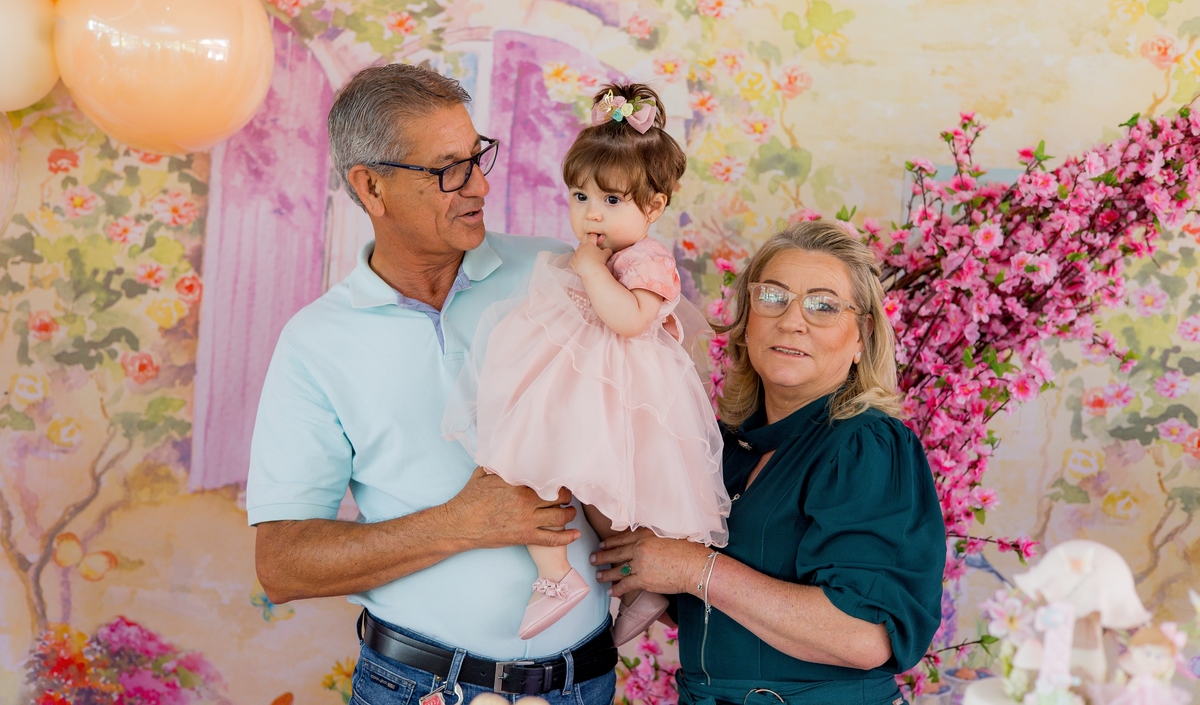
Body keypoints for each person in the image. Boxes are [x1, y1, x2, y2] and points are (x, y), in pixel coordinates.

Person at [247, 64, 617, 705]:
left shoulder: (561, 274)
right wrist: (462, 523)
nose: (479, 185)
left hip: (584, 684)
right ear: (371, 187)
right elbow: (282, 564)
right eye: (449, 169)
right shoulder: (314, 343)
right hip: (419, 688)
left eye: (478, 157)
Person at [591, 220, 947, 705]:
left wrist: (694, 568)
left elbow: (863, 635)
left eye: (823, 305)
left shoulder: (865, 446)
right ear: (747, 322)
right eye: (773, 297)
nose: (792, 321)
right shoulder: (722, 446)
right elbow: (691, 602)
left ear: (862, 336)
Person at [443, 83, 729, 644]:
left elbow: (630, 319)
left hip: (624, 392)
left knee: (601, 492)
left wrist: (592, 270)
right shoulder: (599, 252)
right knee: (535, 465)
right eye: (580, 197)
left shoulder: (646, 259)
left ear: (654, 207)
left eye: (612, 201)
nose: (591, 213)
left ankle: (630, 582)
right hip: (583, 384)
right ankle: (559, 575)